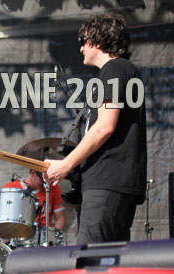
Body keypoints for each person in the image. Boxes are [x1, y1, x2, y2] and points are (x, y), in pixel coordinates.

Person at [44, 12, 147, 244]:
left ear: (97, 40)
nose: (80, 48)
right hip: (110, 184)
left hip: (106, 184)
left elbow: (104, 127)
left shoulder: (115, 69)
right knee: (107, 267)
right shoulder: (118, 72)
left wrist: (66, 164)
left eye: (82, 41)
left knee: (88, 264)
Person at [1, 170, 66, 233]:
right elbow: (1, 220)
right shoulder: (10, 189)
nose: (46, 184)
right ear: (33, 173)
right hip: (16, 235)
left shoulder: (53, 188)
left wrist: (54, 237)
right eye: (44, 180)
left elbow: (60, 218)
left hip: (43, 236)